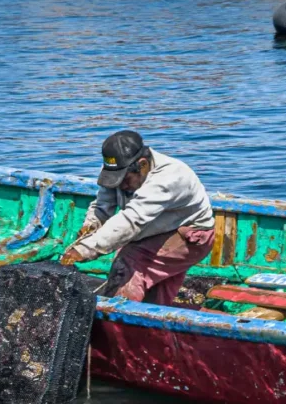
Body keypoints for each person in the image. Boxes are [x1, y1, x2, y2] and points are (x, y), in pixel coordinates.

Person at [60, 130, 215, 307]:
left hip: (190, 235)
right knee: (156, 295)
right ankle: (151, 327)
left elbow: (131, 220)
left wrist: (84, 250)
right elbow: (103, 204)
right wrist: (91, 225)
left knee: (128, 260)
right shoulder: (118, 170)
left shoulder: (169, 178)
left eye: (125, 180)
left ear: (142, 164)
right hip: (154, 229)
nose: (121, 186)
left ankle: (116, 323)